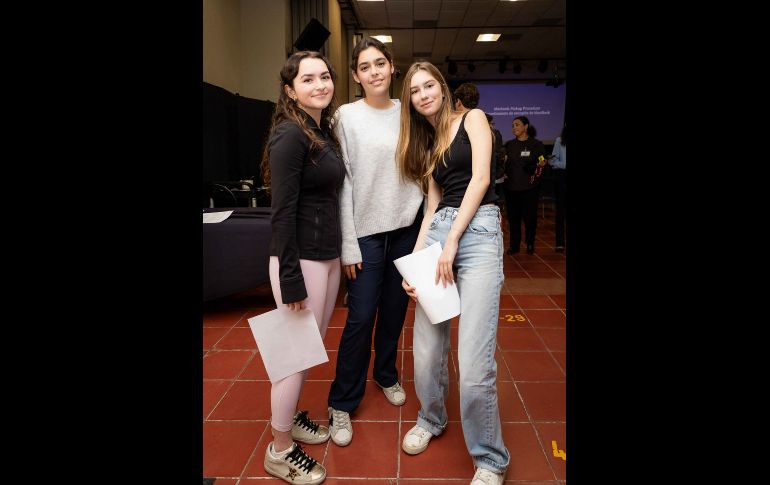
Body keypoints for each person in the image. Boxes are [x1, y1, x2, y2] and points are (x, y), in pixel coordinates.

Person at [396, 61, 509, 485]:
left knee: (473, 360)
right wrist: (414, 263)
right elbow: (430, 208)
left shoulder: (473, 119)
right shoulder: (427, 142)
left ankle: (490, 458)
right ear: (409, 100)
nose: (424, 94)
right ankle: (432, 418)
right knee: (426, 351)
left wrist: (453, 241)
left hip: (476, 232)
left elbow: (480, 180)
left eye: (430, 85)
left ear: (443, 89)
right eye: (415, 90)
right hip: (440, 233)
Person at [326, 37, 424, 447]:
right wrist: (349, 245)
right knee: (360, 317)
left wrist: (422, 236)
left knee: (395, 312)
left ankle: (385, 374)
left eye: (380, 63)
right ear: (355, 76)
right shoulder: (344, 117)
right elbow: (343, 185)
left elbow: (422, 171)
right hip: (364, 234)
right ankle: (342, 403)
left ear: (391, 67)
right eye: (365, 67)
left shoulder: (410, 113)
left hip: (406, 229)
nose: (374, 72)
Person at [260, 50, 345, 485]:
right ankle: (279, 451)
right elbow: (282, 212)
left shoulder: (319, 131)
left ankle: (290, 420)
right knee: (293, 360)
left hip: (326, 258)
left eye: (325, 77)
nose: (320, 85)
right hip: (301, 261)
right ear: (291, 90)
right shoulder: (291, 135)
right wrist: (291, 277)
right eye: (308, 79)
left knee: (308, 352)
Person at [502, 116, 546, 255]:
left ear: (526, 127)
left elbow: (542, 160)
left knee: (530, 218)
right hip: (511, 188)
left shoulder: (536, 144)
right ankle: (514, 246)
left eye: (517, 125)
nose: (514, 127)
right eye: (513, 125)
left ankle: (530, 244)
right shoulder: (509, 145)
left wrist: (541, 163)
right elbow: (504, 163)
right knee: (513, 219)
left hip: (530, 188)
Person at [549, 124, 566, 252]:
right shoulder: (560, 140)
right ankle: (560, 243)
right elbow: (553, 162)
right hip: (562, 178)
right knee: (561, 212)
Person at [486, 113, 506, 210]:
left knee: (492, 207)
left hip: (493, 176)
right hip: (484, 176)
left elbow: (498, 154)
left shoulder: (494, 133)